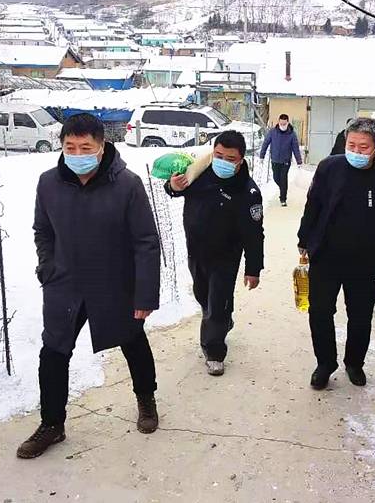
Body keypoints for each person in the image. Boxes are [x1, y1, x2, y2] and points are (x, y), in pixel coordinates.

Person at [18, 114, 162, 459]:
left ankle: (146, 399)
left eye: (86, 147)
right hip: (64, 285)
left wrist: (144, 294)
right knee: (53, 353)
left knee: (132, 341)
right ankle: (52, 424)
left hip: (114, 284)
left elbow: (145, 241)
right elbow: (43, 230)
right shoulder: (48, 183)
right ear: (62, 146)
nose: (78, 152)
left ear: (101, 148)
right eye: (71, 146)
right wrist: (47, 267)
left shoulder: (127, 184)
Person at [297, 117, 375, 390]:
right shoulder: (329, 168)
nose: (357, 151)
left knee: (361, 316)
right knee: (320, 311)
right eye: (352, 145)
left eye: (364, 147)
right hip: (325, 256)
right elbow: (312, 205)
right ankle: (325, 363)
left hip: (366, 261)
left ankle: (355, 363)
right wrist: (304, 239)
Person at [165, 131, 264, 376]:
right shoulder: (199, 175)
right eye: (218, 155)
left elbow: (254, 234)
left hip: (225, 258)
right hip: (196, 253)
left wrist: (253, 269)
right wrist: (172, 186)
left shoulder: (248, 192)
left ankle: (214, 351)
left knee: (216, 304)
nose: (223, 161)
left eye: (230, 158)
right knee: (203, 297)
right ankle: (221, 319)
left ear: (240, 160)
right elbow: (176, 188)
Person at [259, 114, 303, 207]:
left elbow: (295, 148)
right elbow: (265, 143)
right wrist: (262, 156)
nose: (283, 125)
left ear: (287, 123)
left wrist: (299, 161)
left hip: (285, 161)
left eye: (284, 124)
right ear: (279, 122)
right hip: (275, 159)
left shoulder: (291, 134)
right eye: (281, 123)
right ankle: (283, 189)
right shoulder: (272, 132)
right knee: (276, 178)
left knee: (283, 178)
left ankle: (283, 198)